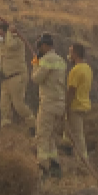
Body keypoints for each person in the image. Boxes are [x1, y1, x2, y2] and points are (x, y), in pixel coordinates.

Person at [31, 33, 68, 178]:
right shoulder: (60, 60)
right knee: (51, 136)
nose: (39, 49)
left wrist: (35, 64)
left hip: (48, 104)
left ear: (46, 46)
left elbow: (36, 79)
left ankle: (43, 168)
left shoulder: (47, 60)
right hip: (60, 104)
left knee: (42, 136)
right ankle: (55, 165)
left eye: (40, 46)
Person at [0, 22, 35, 131]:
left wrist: (10, 32)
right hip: (6, 78)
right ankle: (6, 128)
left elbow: (11, 45)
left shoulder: (17, 41)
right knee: (4, 105)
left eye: (1, 34)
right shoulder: (2, 42)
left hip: (17, 77)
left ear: (7, 33)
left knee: (18, 105)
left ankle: (33, 124)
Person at [65, 42, 93, 159]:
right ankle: (70, 155)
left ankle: (82, 161)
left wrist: (66, 107)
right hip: (84, 105)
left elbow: (71, 90)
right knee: (71, 134)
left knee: (77, 136)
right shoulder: (87, 68)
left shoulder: (76, 70)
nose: (69, 55)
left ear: (75, 54)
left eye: (70, 52)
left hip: (75, 106)